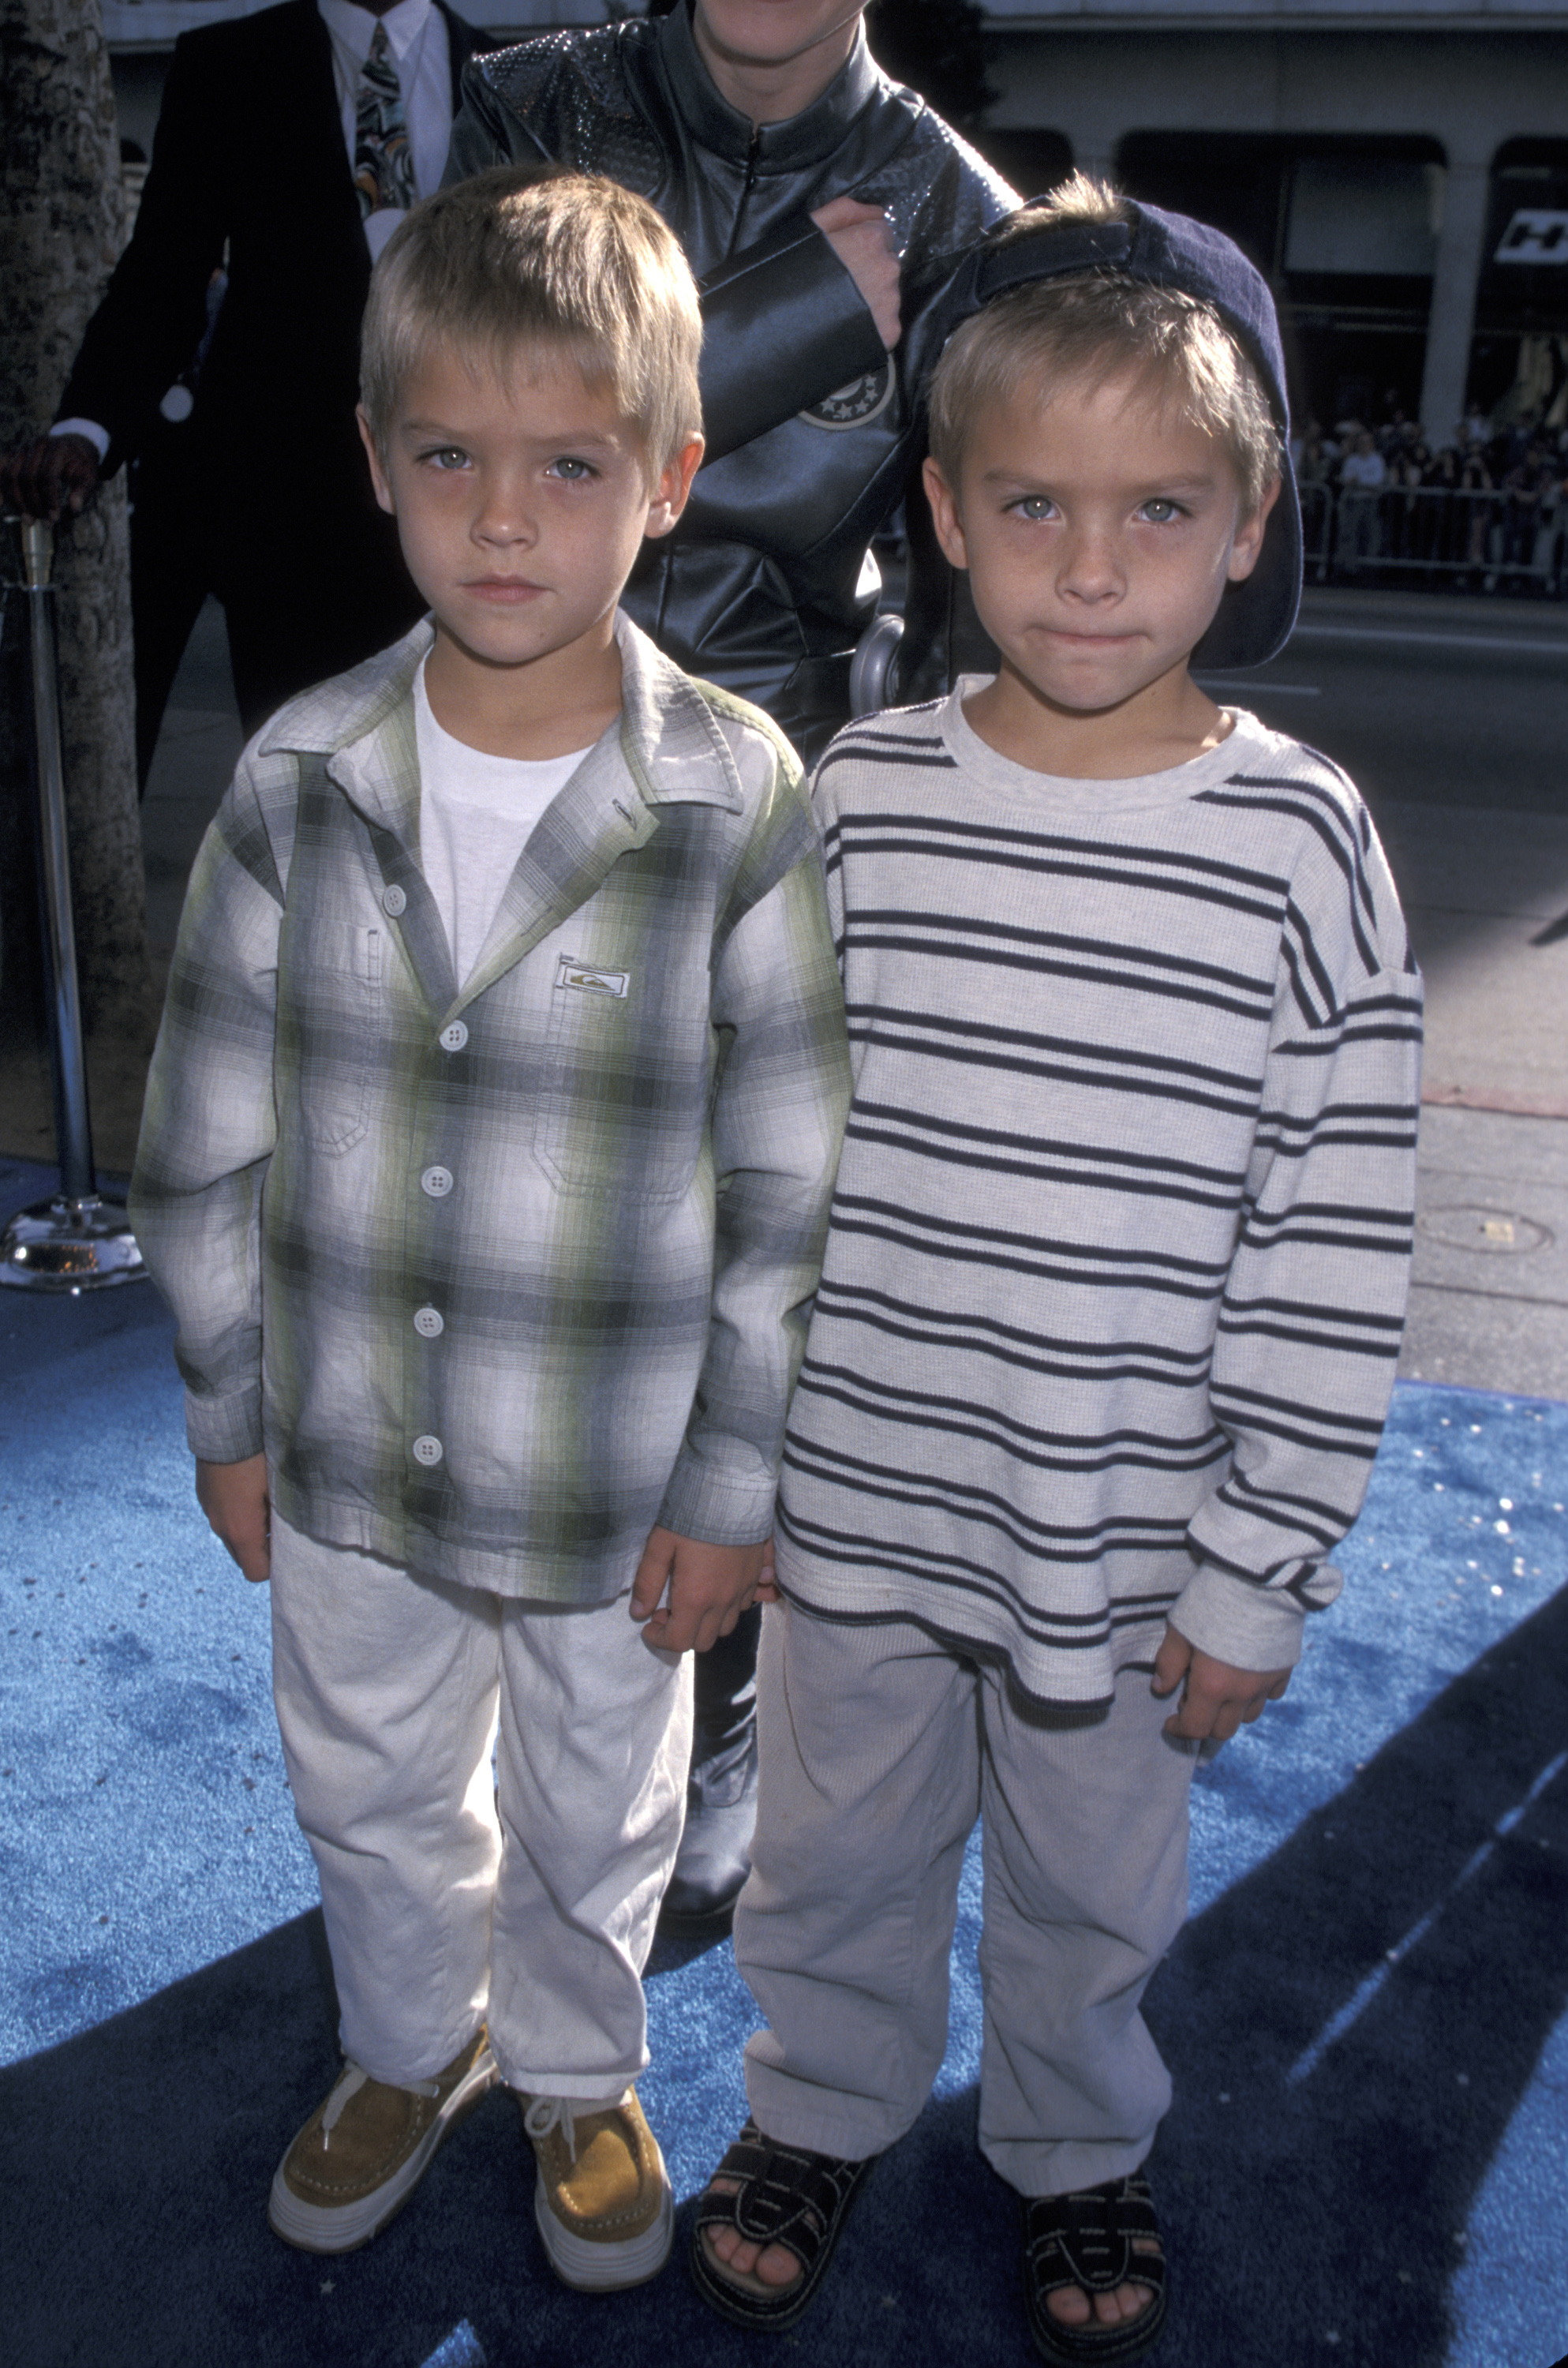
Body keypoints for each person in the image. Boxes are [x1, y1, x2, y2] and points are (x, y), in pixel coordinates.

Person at [690, 178, 1422, 2362]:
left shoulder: (1300, 846)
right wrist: (731, 1474)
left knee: (1094, 1889)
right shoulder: (859, 799)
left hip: (1123, 1532)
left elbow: (1337, 1233)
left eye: (1158, 508)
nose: (1092, 567)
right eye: (1031, 503)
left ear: (1247, 513)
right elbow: (763, 1154)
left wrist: (1256, 1564)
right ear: (938, 506)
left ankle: (1075, 2150)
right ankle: (816, 2102)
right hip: (861, 1499)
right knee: (829, 1855)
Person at [128, 167, 850, 2284]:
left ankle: (571, 2061)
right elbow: (199, 1134)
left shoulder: (736, 799)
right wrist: (224, 1407)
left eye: (568, 464)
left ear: (672, 477)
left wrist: (739, 1481)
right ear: (373, 461)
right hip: (345, 1447)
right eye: (448, 457)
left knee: (601, 1798)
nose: (504, 516)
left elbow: (790, 1176)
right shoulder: (296, 778)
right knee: (360, 1773)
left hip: (607, 1476)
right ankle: (398, 2038)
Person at [444, 0, 1016, 1926]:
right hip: (526, 749)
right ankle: (552, 1683)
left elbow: (1021, 567)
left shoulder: (955, 206)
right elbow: (488, 420)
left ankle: (732, 1701)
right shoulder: (533, 102)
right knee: (537, 1249)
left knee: (767, 1265)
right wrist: (775, 319)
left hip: (793, 790)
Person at [0, 0, 488, 777]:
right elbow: (164, 275)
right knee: (304, 810)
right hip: (289, 531)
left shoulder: (510, 76)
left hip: (472, 517)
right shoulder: (230, 67)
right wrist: (88, 428)